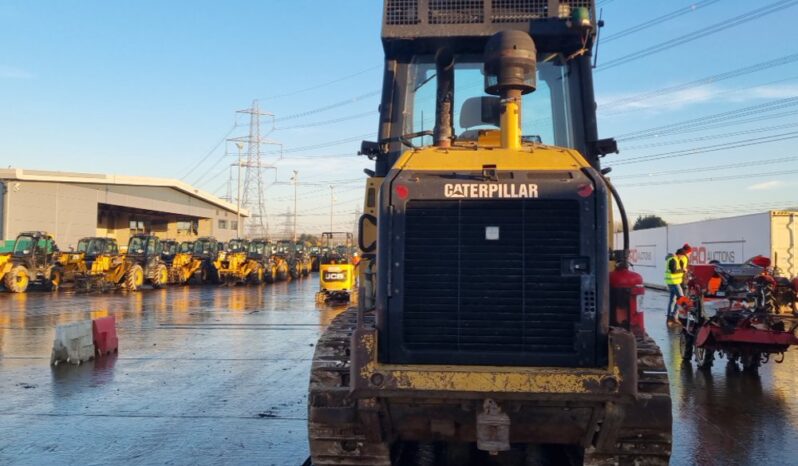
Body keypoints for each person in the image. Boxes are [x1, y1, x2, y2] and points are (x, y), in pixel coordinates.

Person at [665, 247, 688, 324]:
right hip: (674, 282)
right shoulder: (673, 260)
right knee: (681, 298)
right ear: (679, 254)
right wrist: (683, 270)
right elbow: (674, 271)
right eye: (682, 255)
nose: (682, 257)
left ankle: (669, 317)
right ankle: (674, 316)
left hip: (673, 282)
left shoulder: (676, 260)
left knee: (672, 300)